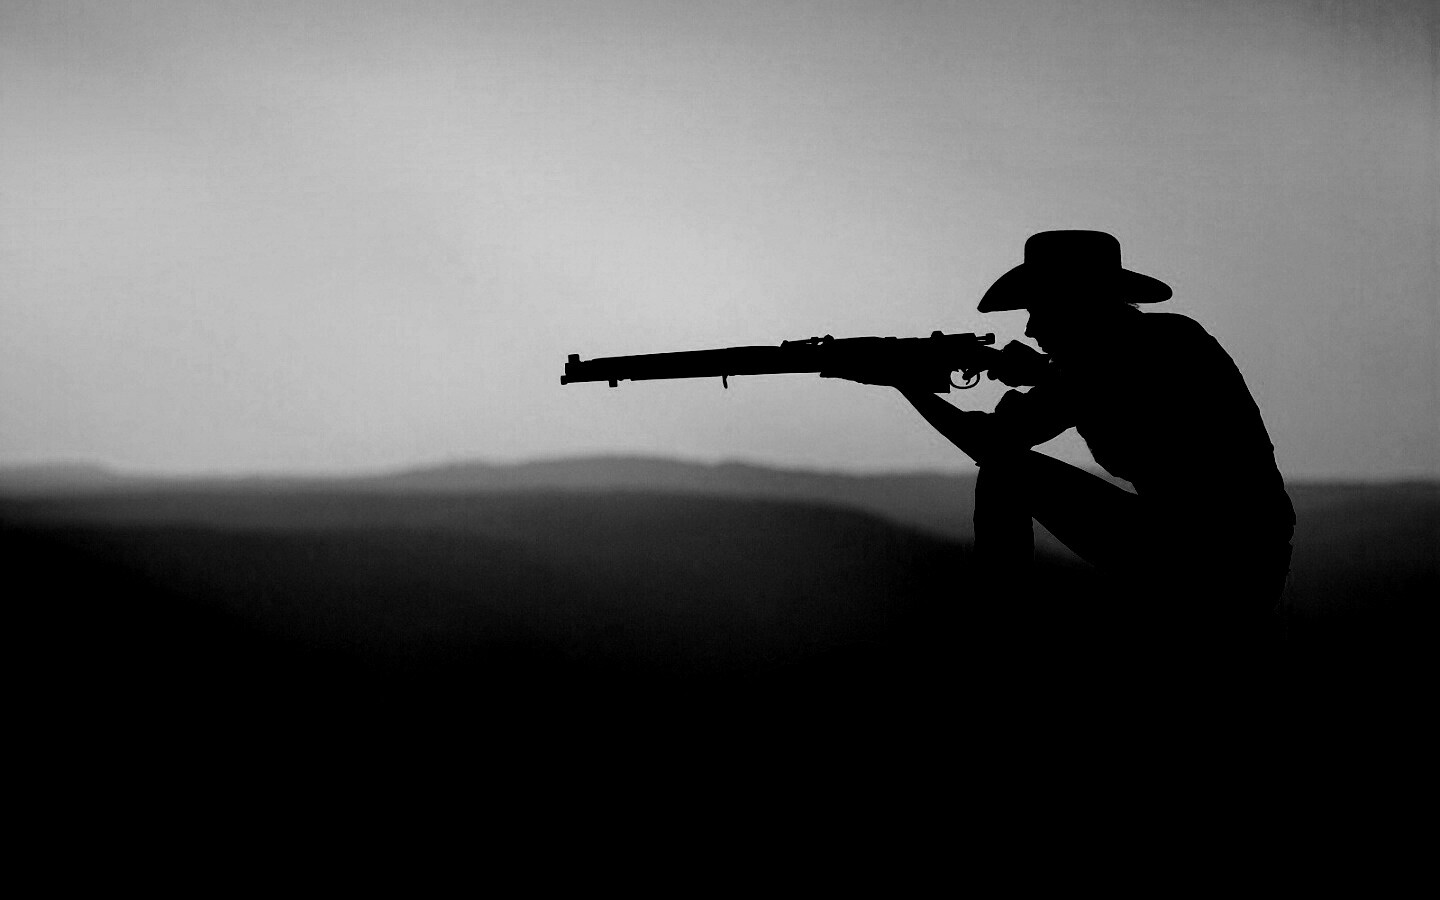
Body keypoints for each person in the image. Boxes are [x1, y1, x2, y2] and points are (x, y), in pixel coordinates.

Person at [830, 231, 1295, 668]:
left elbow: (995, 440)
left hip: (1216, 559)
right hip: (1213, 551)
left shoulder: (1140, 350)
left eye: (1039, 310)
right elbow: (1064, 406)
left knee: (1004, 470)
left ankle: (998, 632)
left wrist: (905, 384)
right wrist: (1044, 375)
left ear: (1075, 304)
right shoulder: (1137, 348)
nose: (1030, 328)